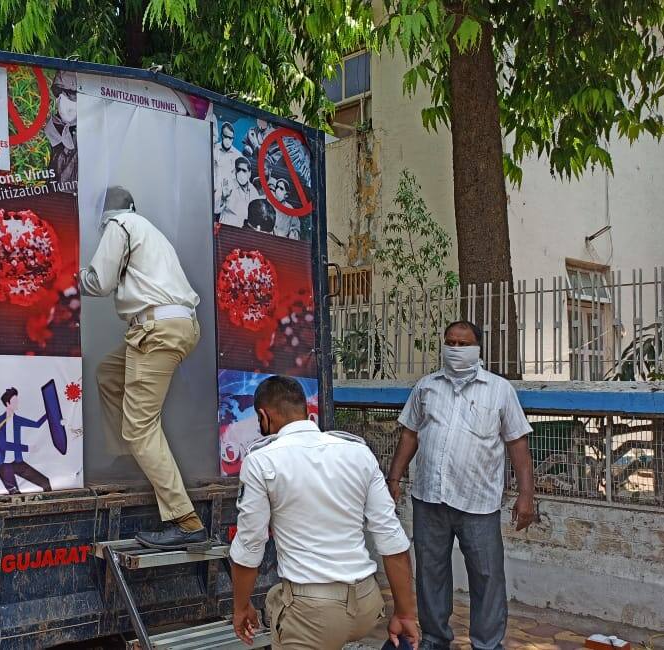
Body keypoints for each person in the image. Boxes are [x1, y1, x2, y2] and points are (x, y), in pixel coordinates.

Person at [231, 376, 420, 650]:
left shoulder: (261, 460)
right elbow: (392, 540)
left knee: (278, 604)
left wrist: (240, 608)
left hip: (313, 615)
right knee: (275, 596)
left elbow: (250, 545)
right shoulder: (358, 452)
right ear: (307, 412)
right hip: (367, 603)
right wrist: (405, 614)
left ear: (264, 415)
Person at [386, 320, 536, 650]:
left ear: (478, 349)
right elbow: (410, 434)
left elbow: (518, 444)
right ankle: (435, 640)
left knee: (487, 576)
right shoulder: (426, 387)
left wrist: (527, 495)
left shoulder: (499, 390)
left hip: (478, 502)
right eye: (450, 342)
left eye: (463, 343)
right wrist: (394, 477)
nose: (456, 349)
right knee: (430, 574)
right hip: (430, 498)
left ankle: (486, 644)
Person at [80, 186, 205, 550]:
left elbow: (100, 282)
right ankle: (126, 458)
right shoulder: (151, 232)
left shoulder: (120, 224)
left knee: (140, 427)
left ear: (105, 215)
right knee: (108, 372)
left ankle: (185, 520)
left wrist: (68, 278)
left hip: (156, 330)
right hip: (176, 326)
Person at [0, 387, 53, 494]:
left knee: (45, 482)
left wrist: (50, 412)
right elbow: (3, 445)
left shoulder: (17, 420)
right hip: (3, 464)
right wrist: (27, 448)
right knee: (15, 493)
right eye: (15, 401)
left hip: (17, 462)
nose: (17, 403)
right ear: (8, 403)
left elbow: (36, 425)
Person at [216, 157, 263, 228]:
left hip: (243, 232)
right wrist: (223, 198)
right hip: (226, 230)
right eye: (238, 170)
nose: (241, 173)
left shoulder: (253, 191)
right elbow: (215, 210)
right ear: (235, 171)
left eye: (244, 170)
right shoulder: (227, 185)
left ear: (249, 173)